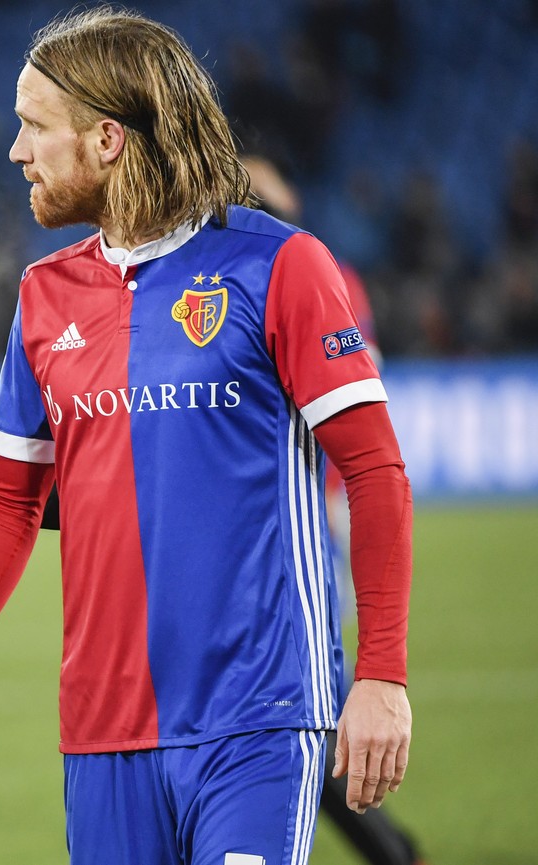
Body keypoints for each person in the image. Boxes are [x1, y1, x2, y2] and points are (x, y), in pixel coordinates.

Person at [0, 8, 414, 865]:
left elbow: (376, 469)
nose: (15, 152)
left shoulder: (277, 266)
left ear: (107, 140)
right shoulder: (43, 296)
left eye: (33, 127)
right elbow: (12, 499)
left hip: (259, 719)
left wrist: (381, 672)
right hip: (101, 735)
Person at [246, 151, 426, 865]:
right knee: (295, 705)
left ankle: (388, 848)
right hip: (277, 520)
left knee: (298, 703)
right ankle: (391, 848)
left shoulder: (314, 269)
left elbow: (359, 402)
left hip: (309, 518)